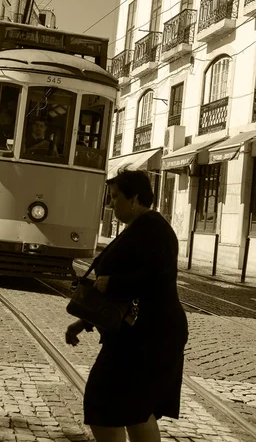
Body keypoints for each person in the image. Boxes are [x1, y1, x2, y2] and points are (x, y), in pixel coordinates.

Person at [65, 168, 188, 442]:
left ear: (134, 198)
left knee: (108, 403)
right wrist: (85, 320)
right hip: (133, 334)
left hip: (150, 337)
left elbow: (158, 277)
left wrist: (113, 283)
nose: (111, 204)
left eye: (115, 197)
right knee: (132, 409)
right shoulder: (137, 228)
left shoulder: (155, 229)